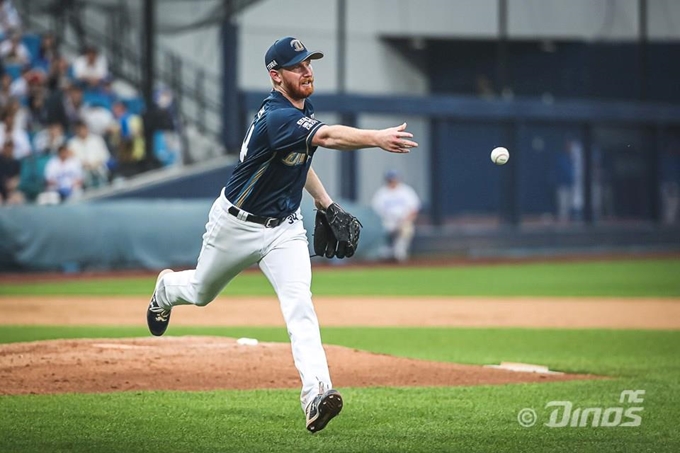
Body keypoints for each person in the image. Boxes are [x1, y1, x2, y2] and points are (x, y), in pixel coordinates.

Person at [146, 36, 417, 433]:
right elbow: (323, 138)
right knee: (201, 292)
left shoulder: (301, 110)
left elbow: (300, 161)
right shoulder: (277, 116)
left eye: (309, 63)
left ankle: (316, 395)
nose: (307, 70)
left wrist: (326, 205)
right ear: (276, 76)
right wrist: (376, 137)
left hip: (284, 229)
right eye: (296, 66)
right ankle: (166, 289)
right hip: (235, 223)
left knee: (300, 307)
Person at [371, 169, 421, 262]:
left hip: (403, 220)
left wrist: (406, 219)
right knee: (383, 233)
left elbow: (414, 209)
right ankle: (386, 252)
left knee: (407, 229)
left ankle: (399, 253)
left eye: (394, 178)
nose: (393, 181)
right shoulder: (381, 193)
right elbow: (376, 211)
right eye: (391, 179)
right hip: (387, 221)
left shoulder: (406, 191)